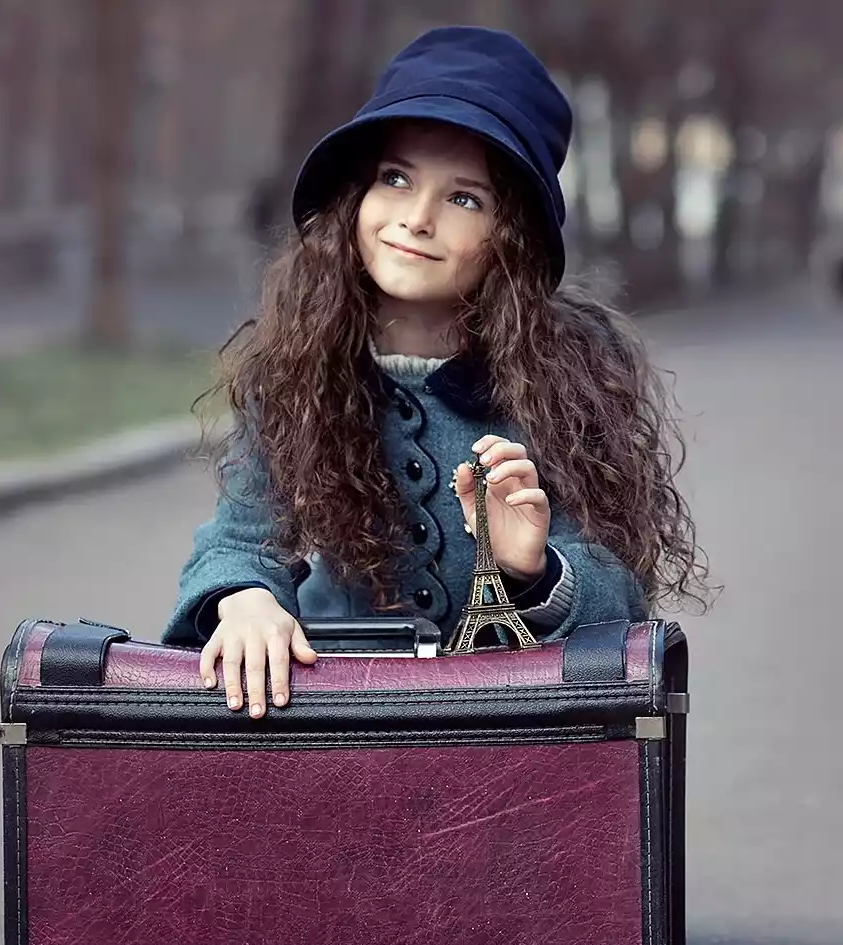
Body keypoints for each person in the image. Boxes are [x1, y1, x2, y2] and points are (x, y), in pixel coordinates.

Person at [161, 26, 713, 718]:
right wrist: (245, 600)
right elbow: (236, 539)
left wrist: (535, 568)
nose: (417, 219)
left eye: (464, 199)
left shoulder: (568, 379)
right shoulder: (297, 369)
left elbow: (622, 600)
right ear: (357, 195)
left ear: (511, 238)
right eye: (395, 179)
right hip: (336, 719)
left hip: (510, 735)